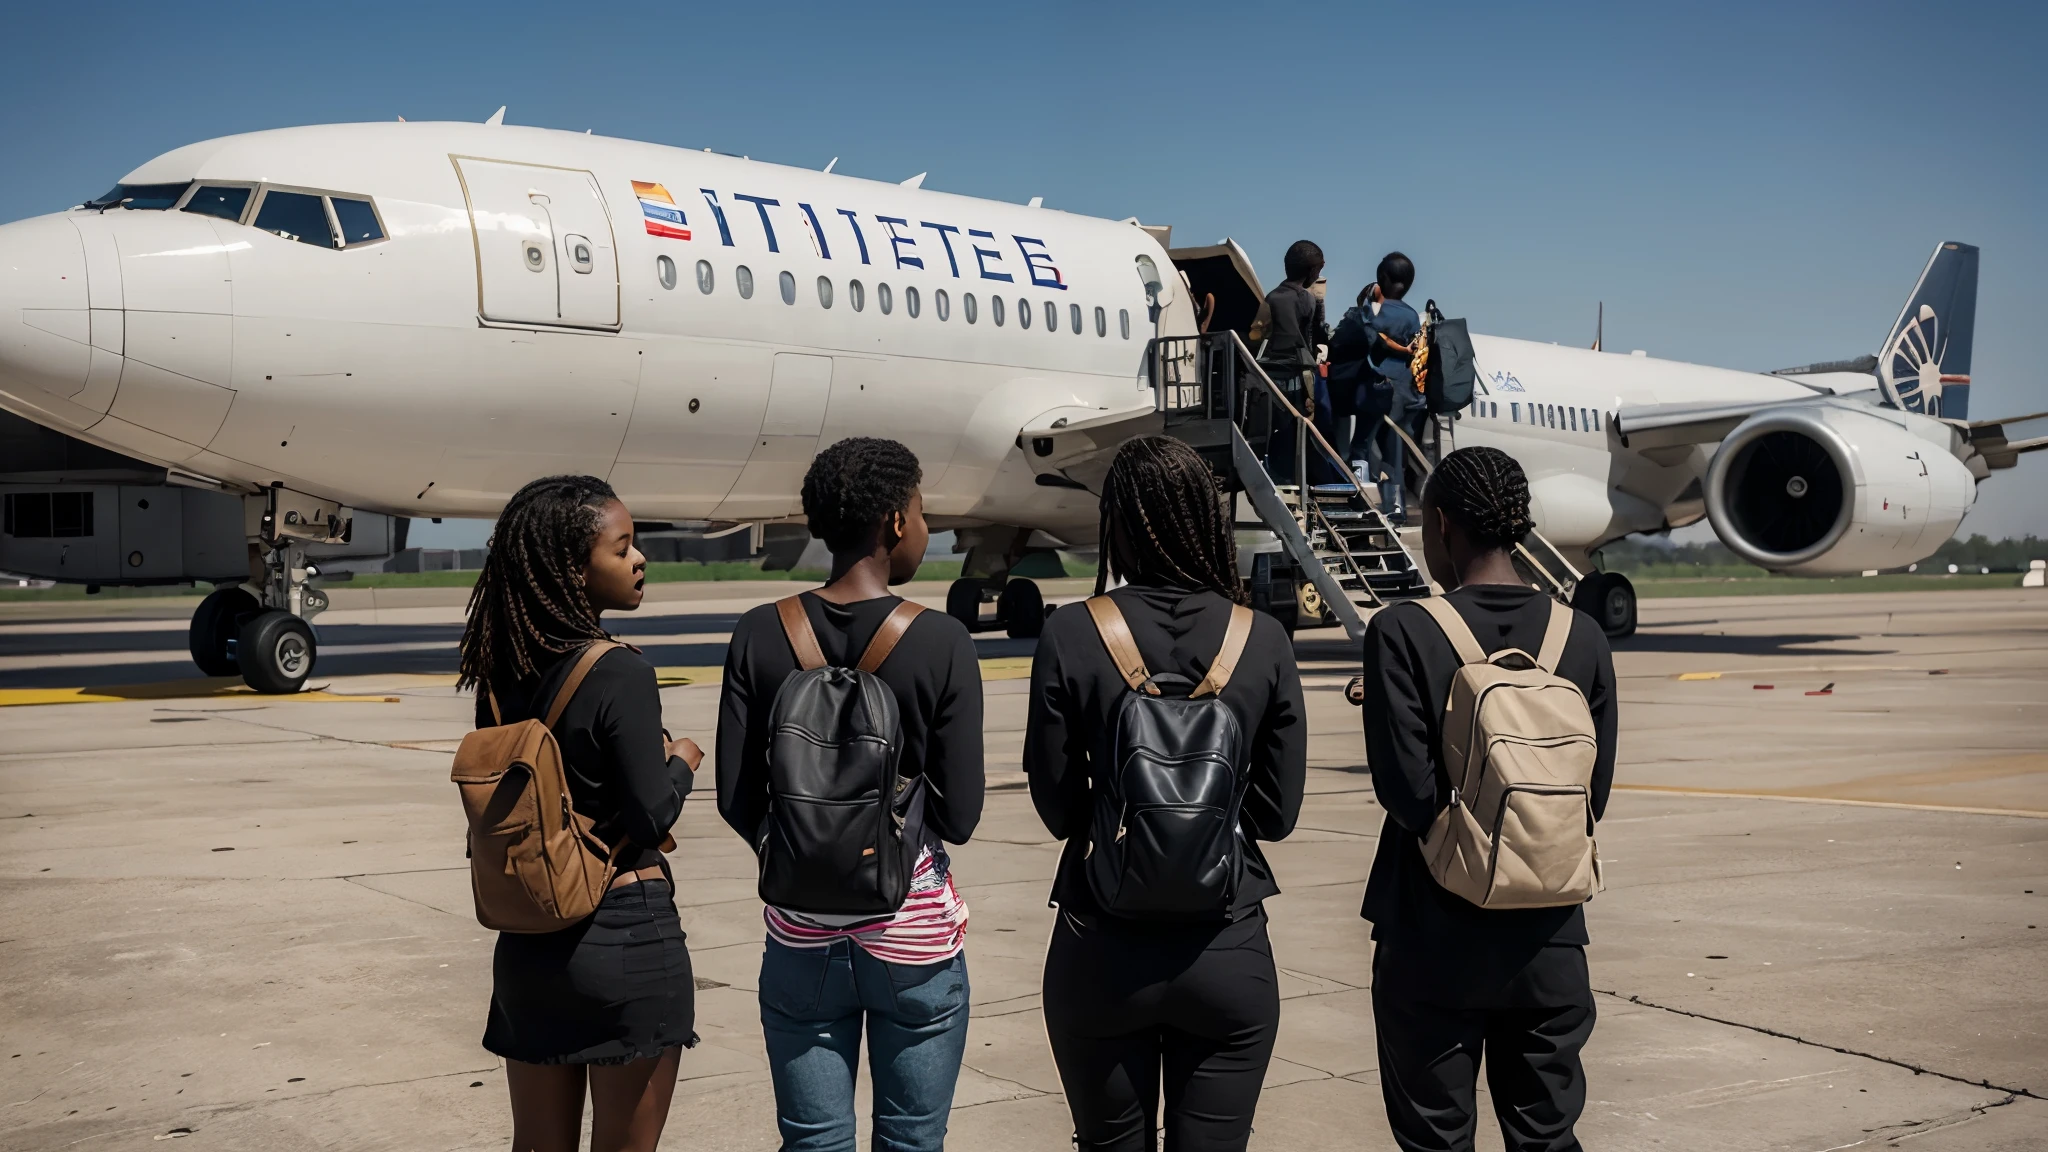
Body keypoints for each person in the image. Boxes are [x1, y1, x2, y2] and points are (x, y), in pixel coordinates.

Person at [1025, 435, 1307, 1152]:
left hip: (1101, 947)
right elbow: (1275, 816)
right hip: (1226, 944)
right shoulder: (1264, 639)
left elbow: (1058, 809)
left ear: (1118, 523)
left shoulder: (1070, 632)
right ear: (1204, 522)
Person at [716, 437, 985, 1152]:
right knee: (911, 1140)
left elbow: (735, 798)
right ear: (896, 521)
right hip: (912, 933)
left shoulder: (758, 634)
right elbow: (959, 816)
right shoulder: (943, 640)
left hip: (800, 934)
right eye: (922, 511)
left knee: (813, 1144)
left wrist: (808, 854)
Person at [1357, 447, 1617, 1152]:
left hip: (1431, 936)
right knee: (1546, 1136)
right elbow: (1592, 789)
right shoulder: (1582, 636)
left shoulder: (1403, 631)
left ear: (1443, 524)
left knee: (1437, 1139)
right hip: (1550, 941)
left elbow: (1406, 791)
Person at [457, 475, 703, 1152]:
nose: (638, 559)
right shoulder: (619, 671)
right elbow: (650, 817)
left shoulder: (501, 673)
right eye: (622, 548)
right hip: (622, 935)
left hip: (530, 949)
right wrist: (682, 759)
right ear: (573, 568)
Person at [1258, 240, 1331, 481]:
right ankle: (1299, 477)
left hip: (1270, 372)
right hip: (1300, 374)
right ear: (1312, 272)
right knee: (1301, 428)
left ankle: (1275, 472)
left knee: (1273, 426)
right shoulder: (1307, 299)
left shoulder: (1271, 297)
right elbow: (1310, 334)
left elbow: (1257, 332)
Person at [1360, 252, 1423, 521]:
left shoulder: (1374, 310)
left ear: (1381, 278)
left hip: (1375, 388)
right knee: (1393, 452)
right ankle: (1395, 507)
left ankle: (1360, 500)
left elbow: (1364, 337)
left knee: (1362, 445)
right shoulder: (1411, 316)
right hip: (1405, 394)